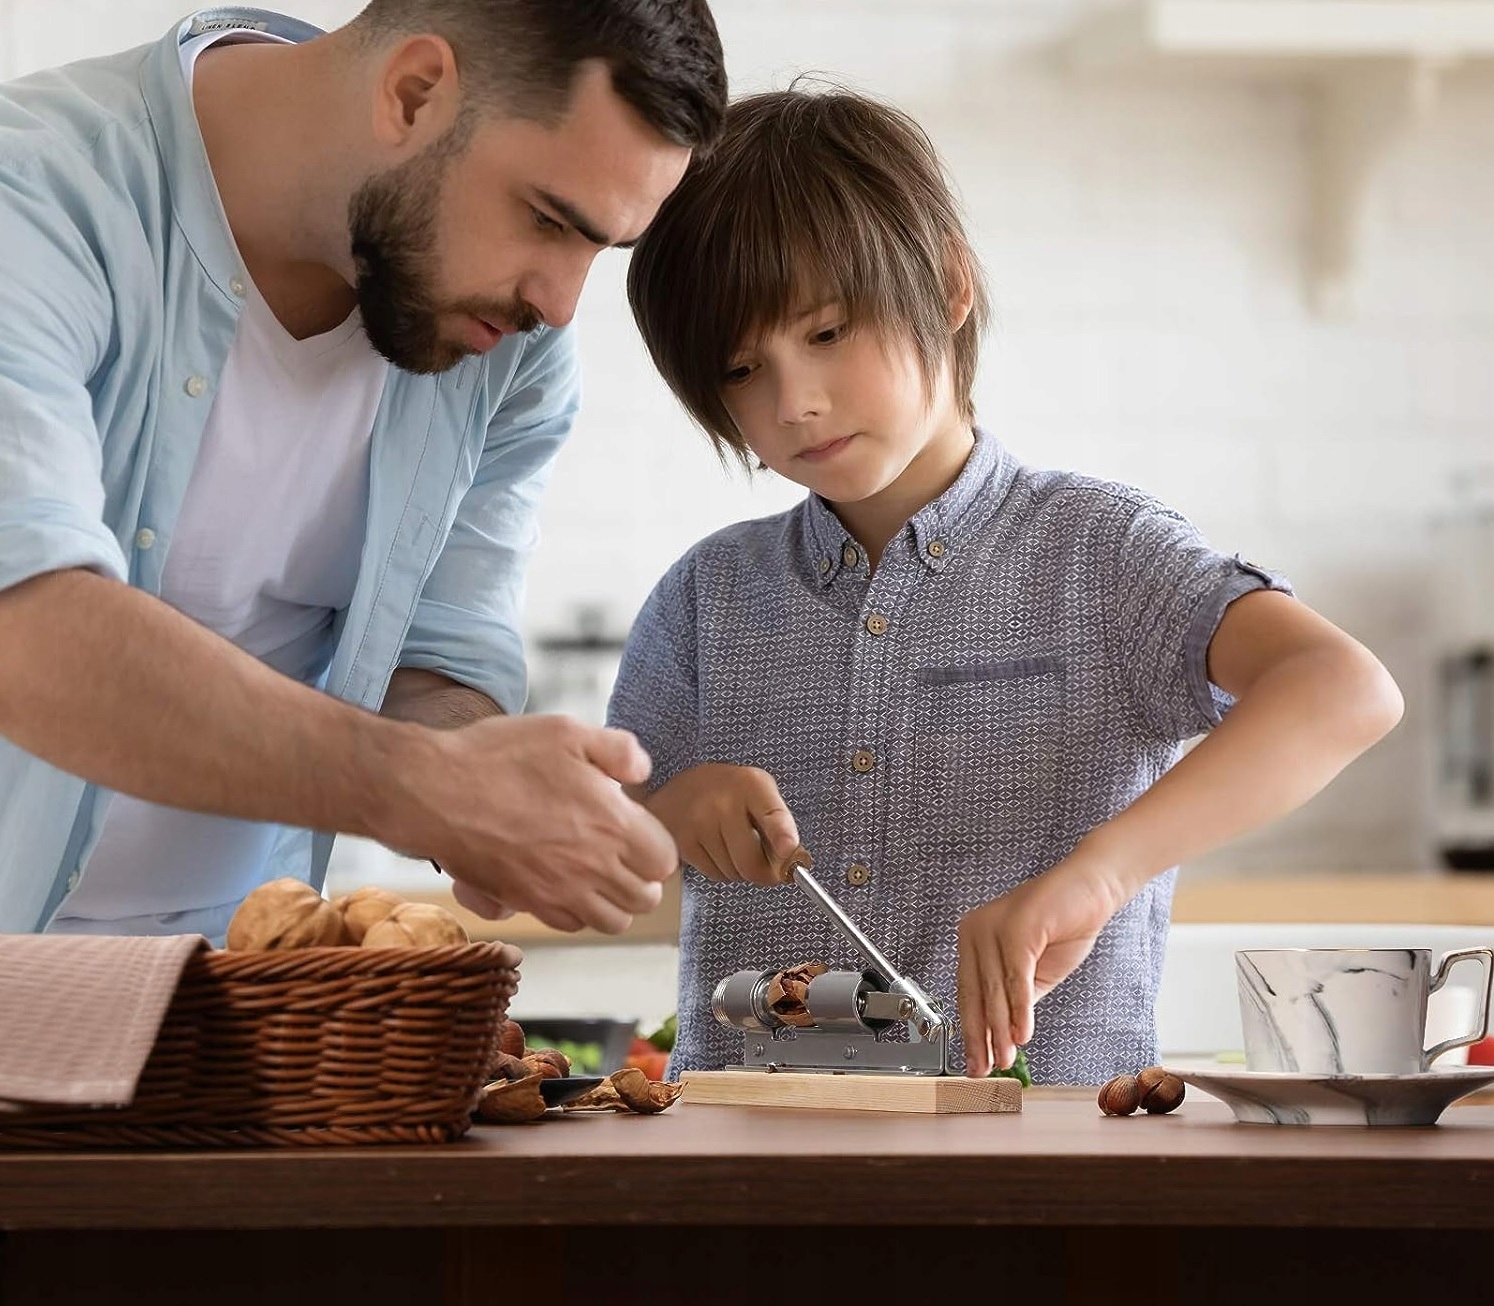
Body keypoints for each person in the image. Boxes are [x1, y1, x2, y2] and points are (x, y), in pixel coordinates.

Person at [609, 88, 1405, 1083]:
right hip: (747, 1158)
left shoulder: (1101, 553)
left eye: (826, 333)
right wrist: (670, 810)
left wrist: (1101, 874)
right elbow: (599, 851)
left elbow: (1344, 688)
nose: (793, 403)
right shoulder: (706, 596)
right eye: (740, 369)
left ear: (947, 285)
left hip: (1050, 1154)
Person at [0, 3, 727, 942]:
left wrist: (510, 787)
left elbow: (439, 662)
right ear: (414, 93)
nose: (559, 302)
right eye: (548, 218)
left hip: (236, 990)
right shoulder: (35, 199)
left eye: (601, 248)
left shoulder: (510, 354)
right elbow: (27, 632)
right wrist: (420, 787)